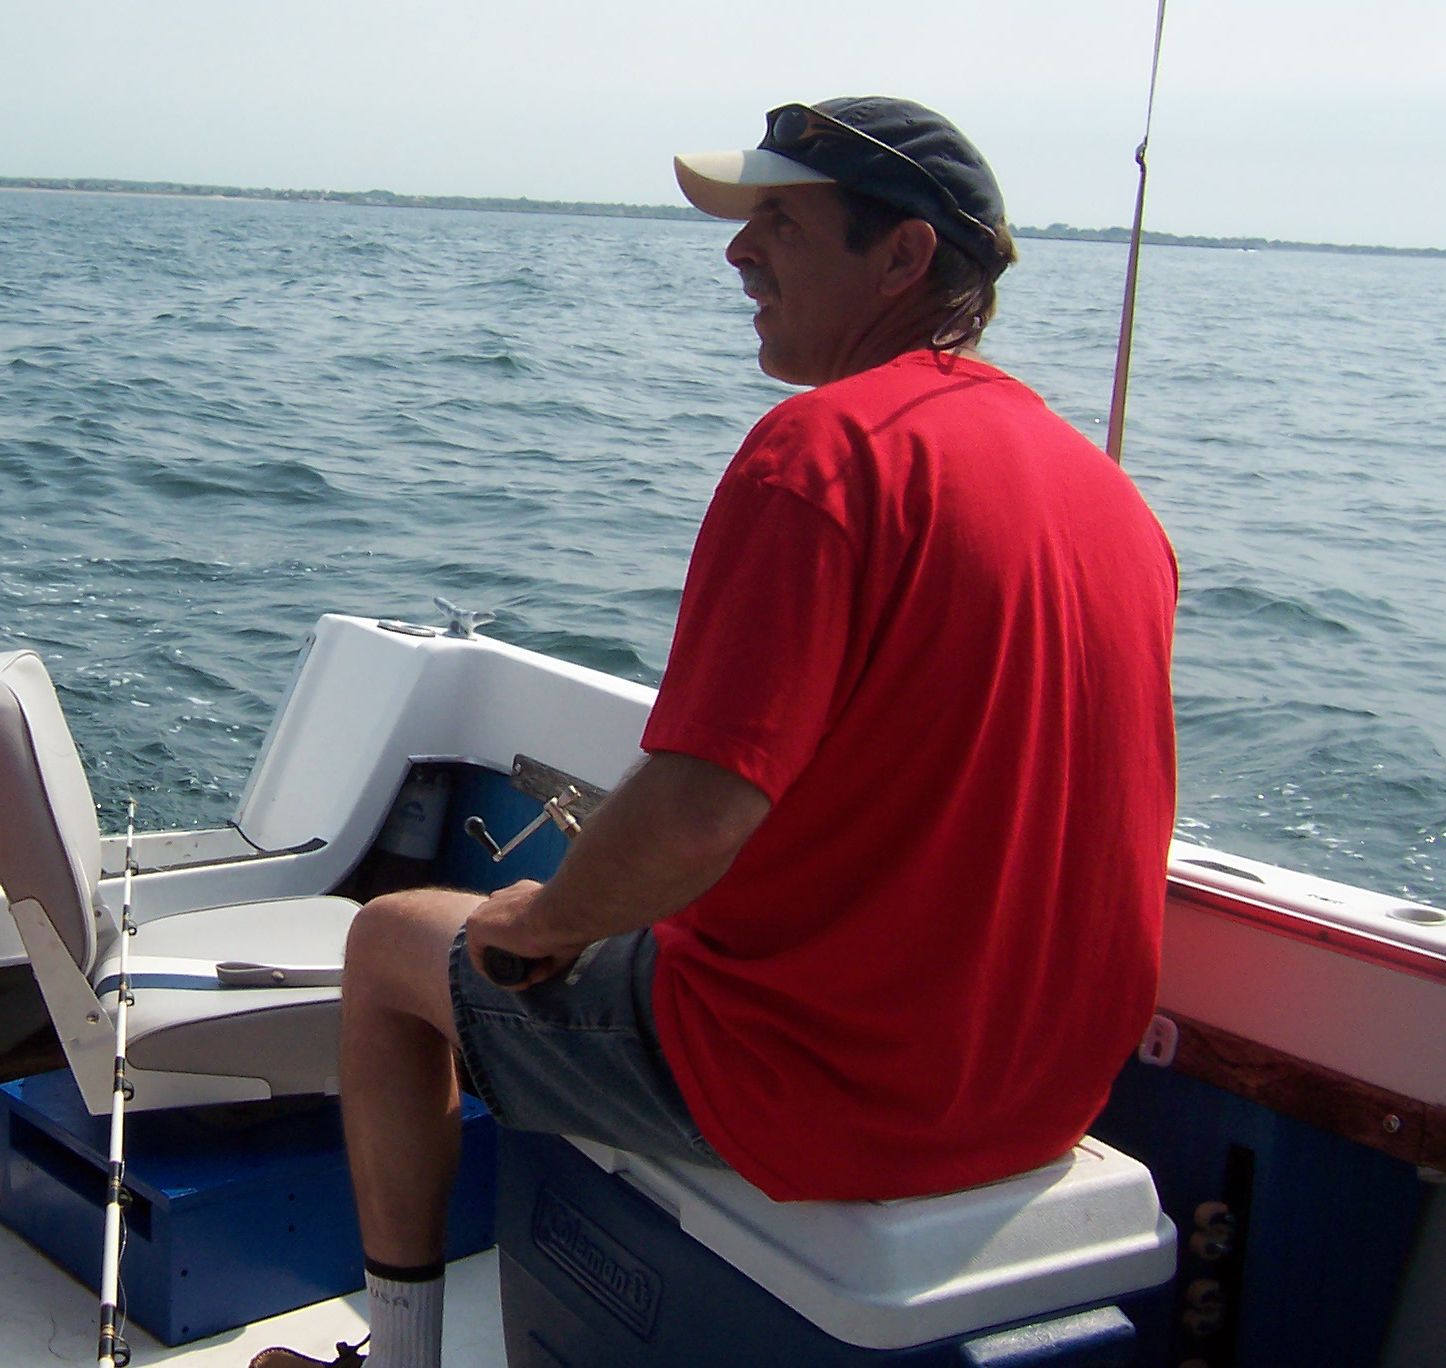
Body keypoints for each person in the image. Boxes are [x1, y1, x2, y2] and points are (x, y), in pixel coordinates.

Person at [254, 99, 1179, 1368]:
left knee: (395, 943)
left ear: (902, 258)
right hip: (1041, 1092)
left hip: (823, 1084)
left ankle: (404, 1352)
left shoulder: (821, 453)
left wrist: (544, 921)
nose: (739, 254)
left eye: (780, 224)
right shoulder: (1112, 499)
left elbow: (699, 810)